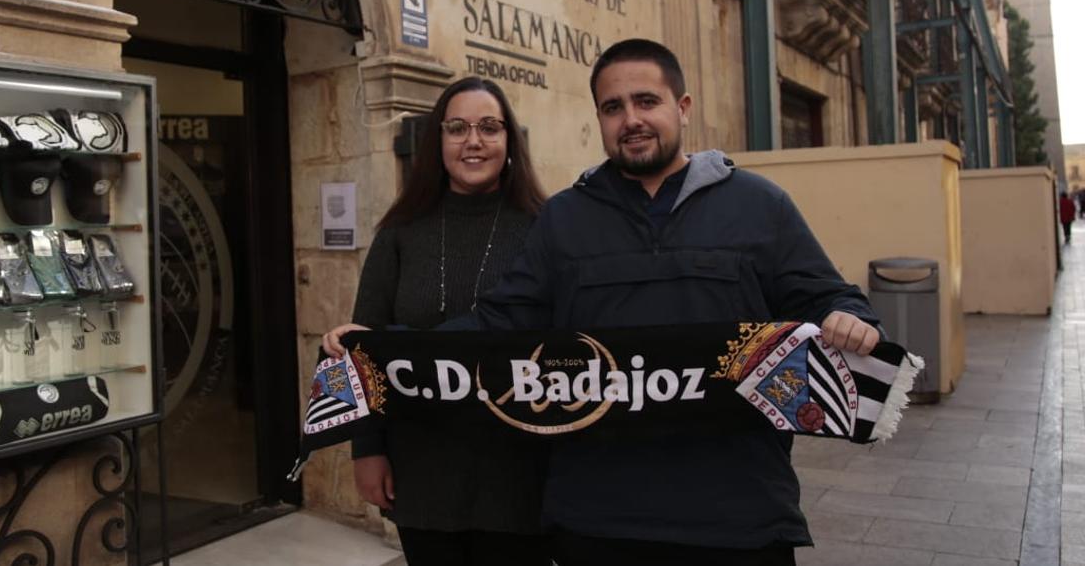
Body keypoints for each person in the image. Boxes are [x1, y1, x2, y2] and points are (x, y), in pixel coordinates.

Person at [327, 39, 880, 566]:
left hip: (739, 516)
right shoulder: (565, 219)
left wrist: (850, 319)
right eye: (613, 107)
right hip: (598, 520)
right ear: (599, 120)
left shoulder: (762, 205)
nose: (631, 119)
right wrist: (386, 352)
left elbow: (831, 298)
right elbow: (499, 324)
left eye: (646, 101)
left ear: (682, 107)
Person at [344, 77, 550, 566]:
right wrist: (366, 450)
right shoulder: (399, 230)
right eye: (456, 128)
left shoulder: (546, 227)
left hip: (517, 467)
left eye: (489, 127)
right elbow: (365, 349)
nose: (473, 141)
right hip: (421, 465)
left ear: (510, 141)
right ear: (437, 141)